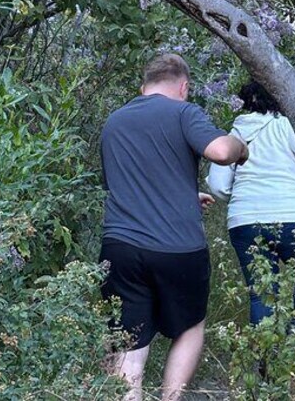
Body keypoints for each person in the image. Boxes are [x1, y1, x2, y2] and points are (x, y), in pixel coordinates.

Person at [99, 53, 248, 401]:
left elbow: (127, 184)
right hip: (177, 249)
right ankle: (170, 398)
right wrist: (241, 148)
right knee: (190, 326)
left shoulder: (114, 121)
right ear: (183, 87)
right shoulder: (184, 112)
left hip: (120, 248)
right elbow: (221, 151)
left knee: (128, 341)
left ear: (143, 86)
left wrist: (184, 194)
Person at [207, 82, 295, 325]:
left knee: (262, 294)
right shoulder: (290, 127)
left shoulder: (234, 134)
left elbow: (218, 185)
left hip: (246, 219)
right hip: (294, 214)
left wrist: (242, 194)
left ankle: (263, 355)